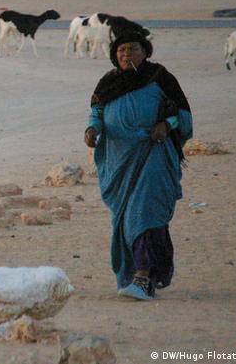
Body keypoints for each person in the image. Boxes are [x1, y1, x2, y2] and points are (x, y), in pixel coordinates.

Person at [84, 32, 193, 300]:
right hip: (120, 163)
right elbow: (96, 112)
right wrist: (92, 129)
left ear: (145, 51)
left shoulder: (159, 77)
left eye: (132, 49)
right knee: (125, 220)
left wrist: (167, 125)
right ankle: (144, 274)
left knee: (144, 214)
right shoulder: (108, 82)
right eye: (121, 50)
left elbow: (183, 116)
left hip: (154, 156)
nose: (126, 54)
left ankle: (143, 278)